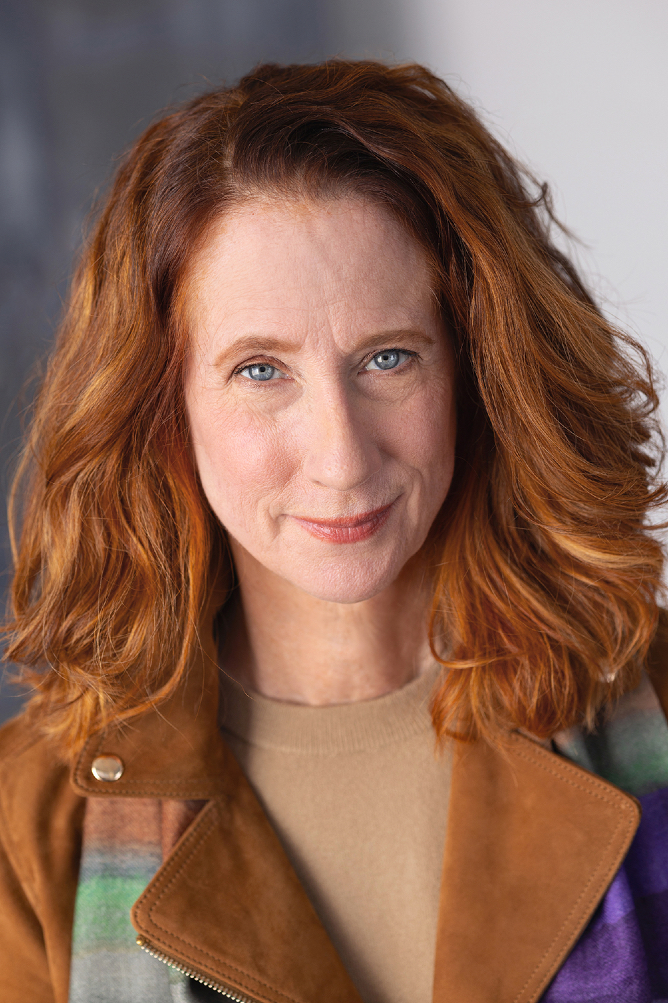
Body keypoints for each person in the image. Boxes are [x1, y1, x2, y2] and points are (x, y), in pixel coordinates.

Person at [0, 59, 667, 1003]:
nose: (342, 458)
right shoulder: (27, 829)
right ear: (162, 404)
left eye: (388, 358)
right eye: (260, 371)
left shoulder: (657, 699)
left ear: (477, 370)